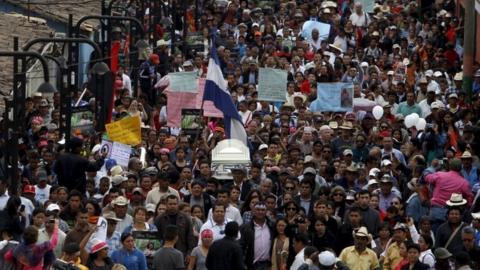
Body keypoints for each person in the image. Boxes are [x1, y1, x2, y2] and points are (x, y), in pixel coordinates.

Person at [240, 201, 274, 269]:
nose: (260, 212)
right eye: (258, 209)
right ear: (253, 211)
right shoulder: (245, 228)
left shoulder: (272, 226)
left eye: (263, 210)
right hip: (251, 265)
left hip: (268, 265)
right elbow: (241, 247)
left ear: (266, 211)